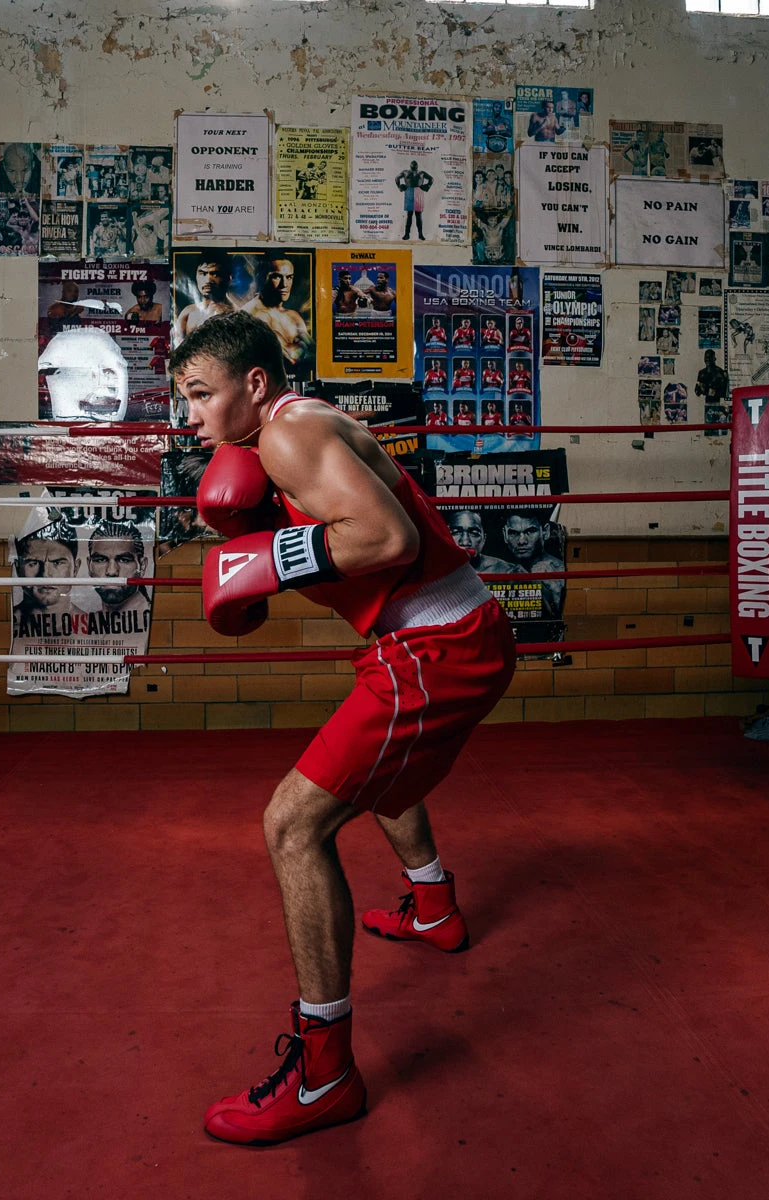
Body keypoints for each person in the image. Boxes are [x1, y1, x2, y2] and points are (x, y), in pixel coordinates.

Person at [172, 312, 517, 1146]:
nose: (189, 417)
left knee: (291, 825)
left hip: (436, 648)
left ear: (255, 384)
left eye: (199, 396)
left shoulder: (288, 440)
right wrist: (269, 551)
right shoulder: (297, 423)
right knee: (372, 774)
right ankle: (433, 908)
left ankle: (325, 1074)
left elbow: (386, 538)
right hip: (442, 636)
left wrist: (265, 562)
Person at [242, 254, 312, 371]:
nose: (284, 285)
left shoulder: (293, 316)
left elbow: (313, 356)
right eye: (276, 277)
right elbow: (291, 359)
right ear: (261, 278)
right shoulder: (250, 315)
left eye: (289, 277)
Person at [12, 521, 81, 633]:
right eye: (33, 563)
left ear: (75, 568)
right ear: (17, 568)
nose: (45, 574)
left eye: (58, 563)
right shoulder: (3, 626)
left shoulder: (94, 630)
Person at [84, 519, 151, 622]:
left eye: (124, 560)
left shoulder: (155, 619)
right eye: (101, 560)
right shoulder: (88, 623)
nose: (111, 572)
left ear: (142, 566)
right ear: (89, 565)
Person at [501, 513, 565, 618]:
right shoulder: (501, 568)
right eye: (514, 533)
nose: (521, 541)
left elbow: (566, 618)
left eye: (530, 531)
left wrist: (556, 592)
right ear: (505, 535)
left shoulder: (559, 570)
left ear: (545, 532)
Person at [172, 250, 233, 345]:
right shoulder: (188, 311)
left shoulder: (233, 314)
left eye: (215, 274)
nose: (208, 280)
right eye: (203, 273)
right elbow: (176, 346)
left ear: (228, 279)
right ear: (196, 276)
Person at [447, 509, 517, 575]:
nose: (465, 542)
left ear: (484, 539)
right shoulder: (437, 568)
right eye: (456, 532)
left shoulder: (507, 570)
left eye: (474, 533)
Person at [393, 159, 432, 241]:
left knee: (417, 215)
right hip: (410, 192)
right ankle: (407, 234)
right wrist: (400, 187)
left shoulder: (420, 173)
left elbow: (431, 179)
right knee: (410, 215)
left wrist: (427, 186)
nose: (414, 165)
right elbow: (396, 178)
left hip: (418, 192)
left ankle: (420, 234)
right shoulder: (408, 172)